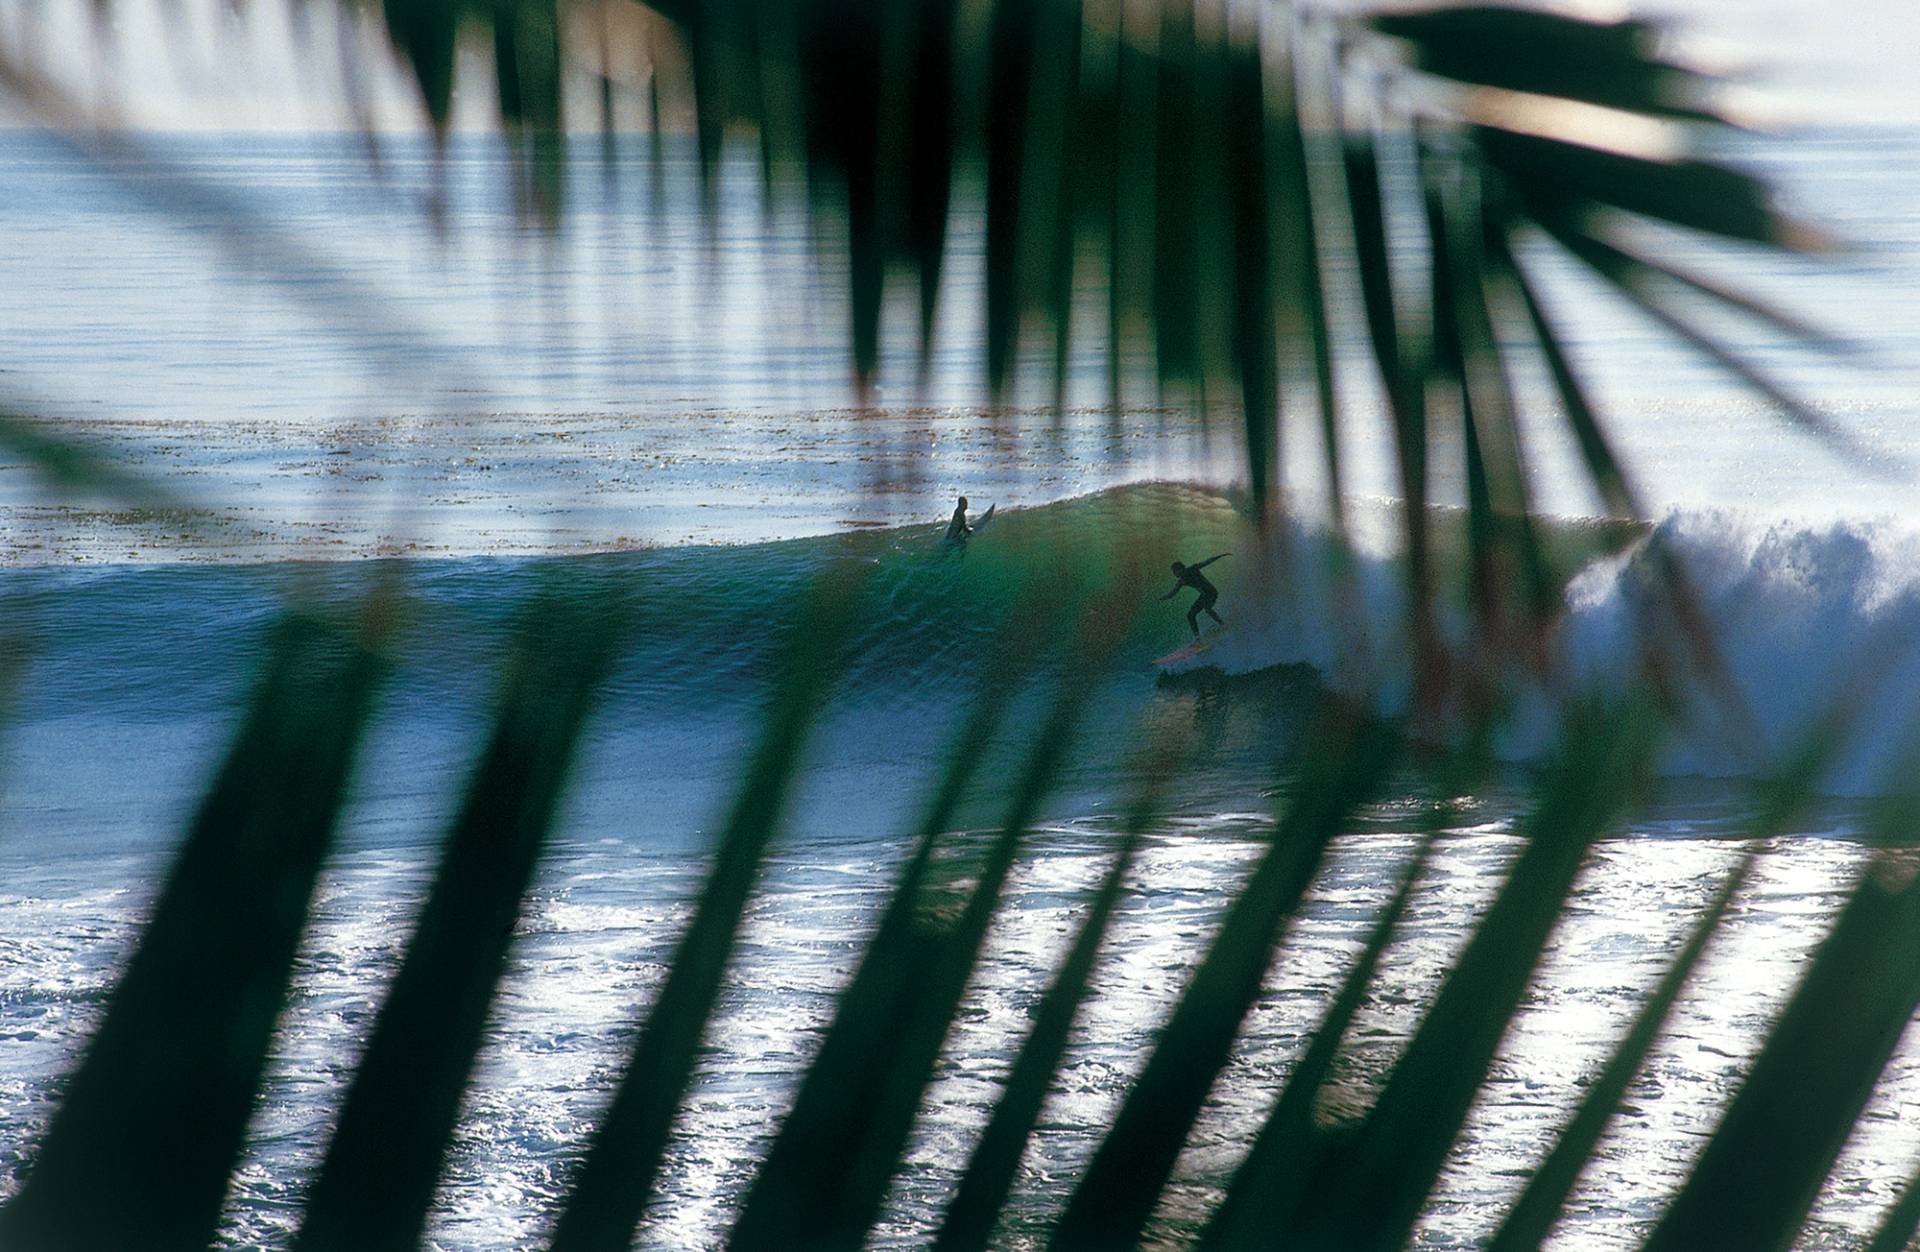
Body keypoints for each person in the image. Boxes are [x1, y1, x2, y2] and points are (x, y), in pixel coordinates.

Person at [1161, 553, 1231, 637]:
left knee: (1207, 608)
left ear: (1180, 569)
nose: (1174, 573)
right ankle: (1198, 638)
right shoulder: (1181, 581)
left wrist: (1221, 555)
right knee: (1190, 615)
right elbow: (1172, 593)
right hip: (1204, 595)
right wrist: (1162, 598)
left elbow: (1207, 562)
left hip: (1211, 592)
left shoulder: (1193, 568)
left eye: (1174, 571)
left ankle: (1223, 624)